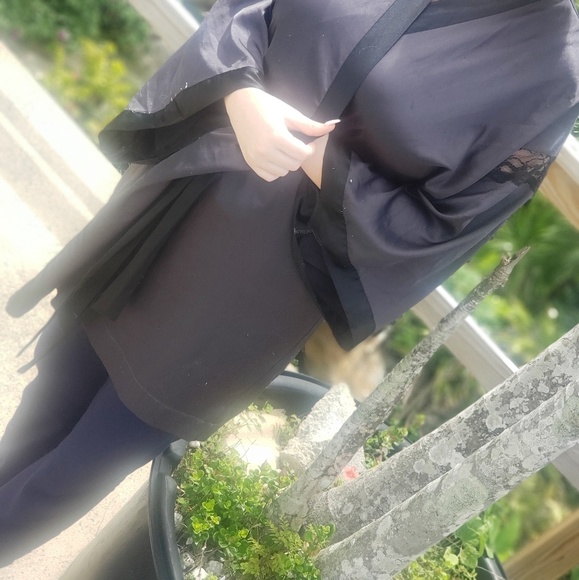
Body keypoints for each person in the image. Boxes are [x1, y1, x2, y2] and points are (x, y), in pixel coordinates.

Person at [1, 0, 578, 565]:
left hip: (251, 293)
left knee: (77, 467)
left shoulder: (551, 73)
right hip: (178, 206)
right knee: (46, 402)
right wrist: (242, 94)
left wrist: (315, 155)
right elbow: (250, 10)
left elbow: (446, 225)